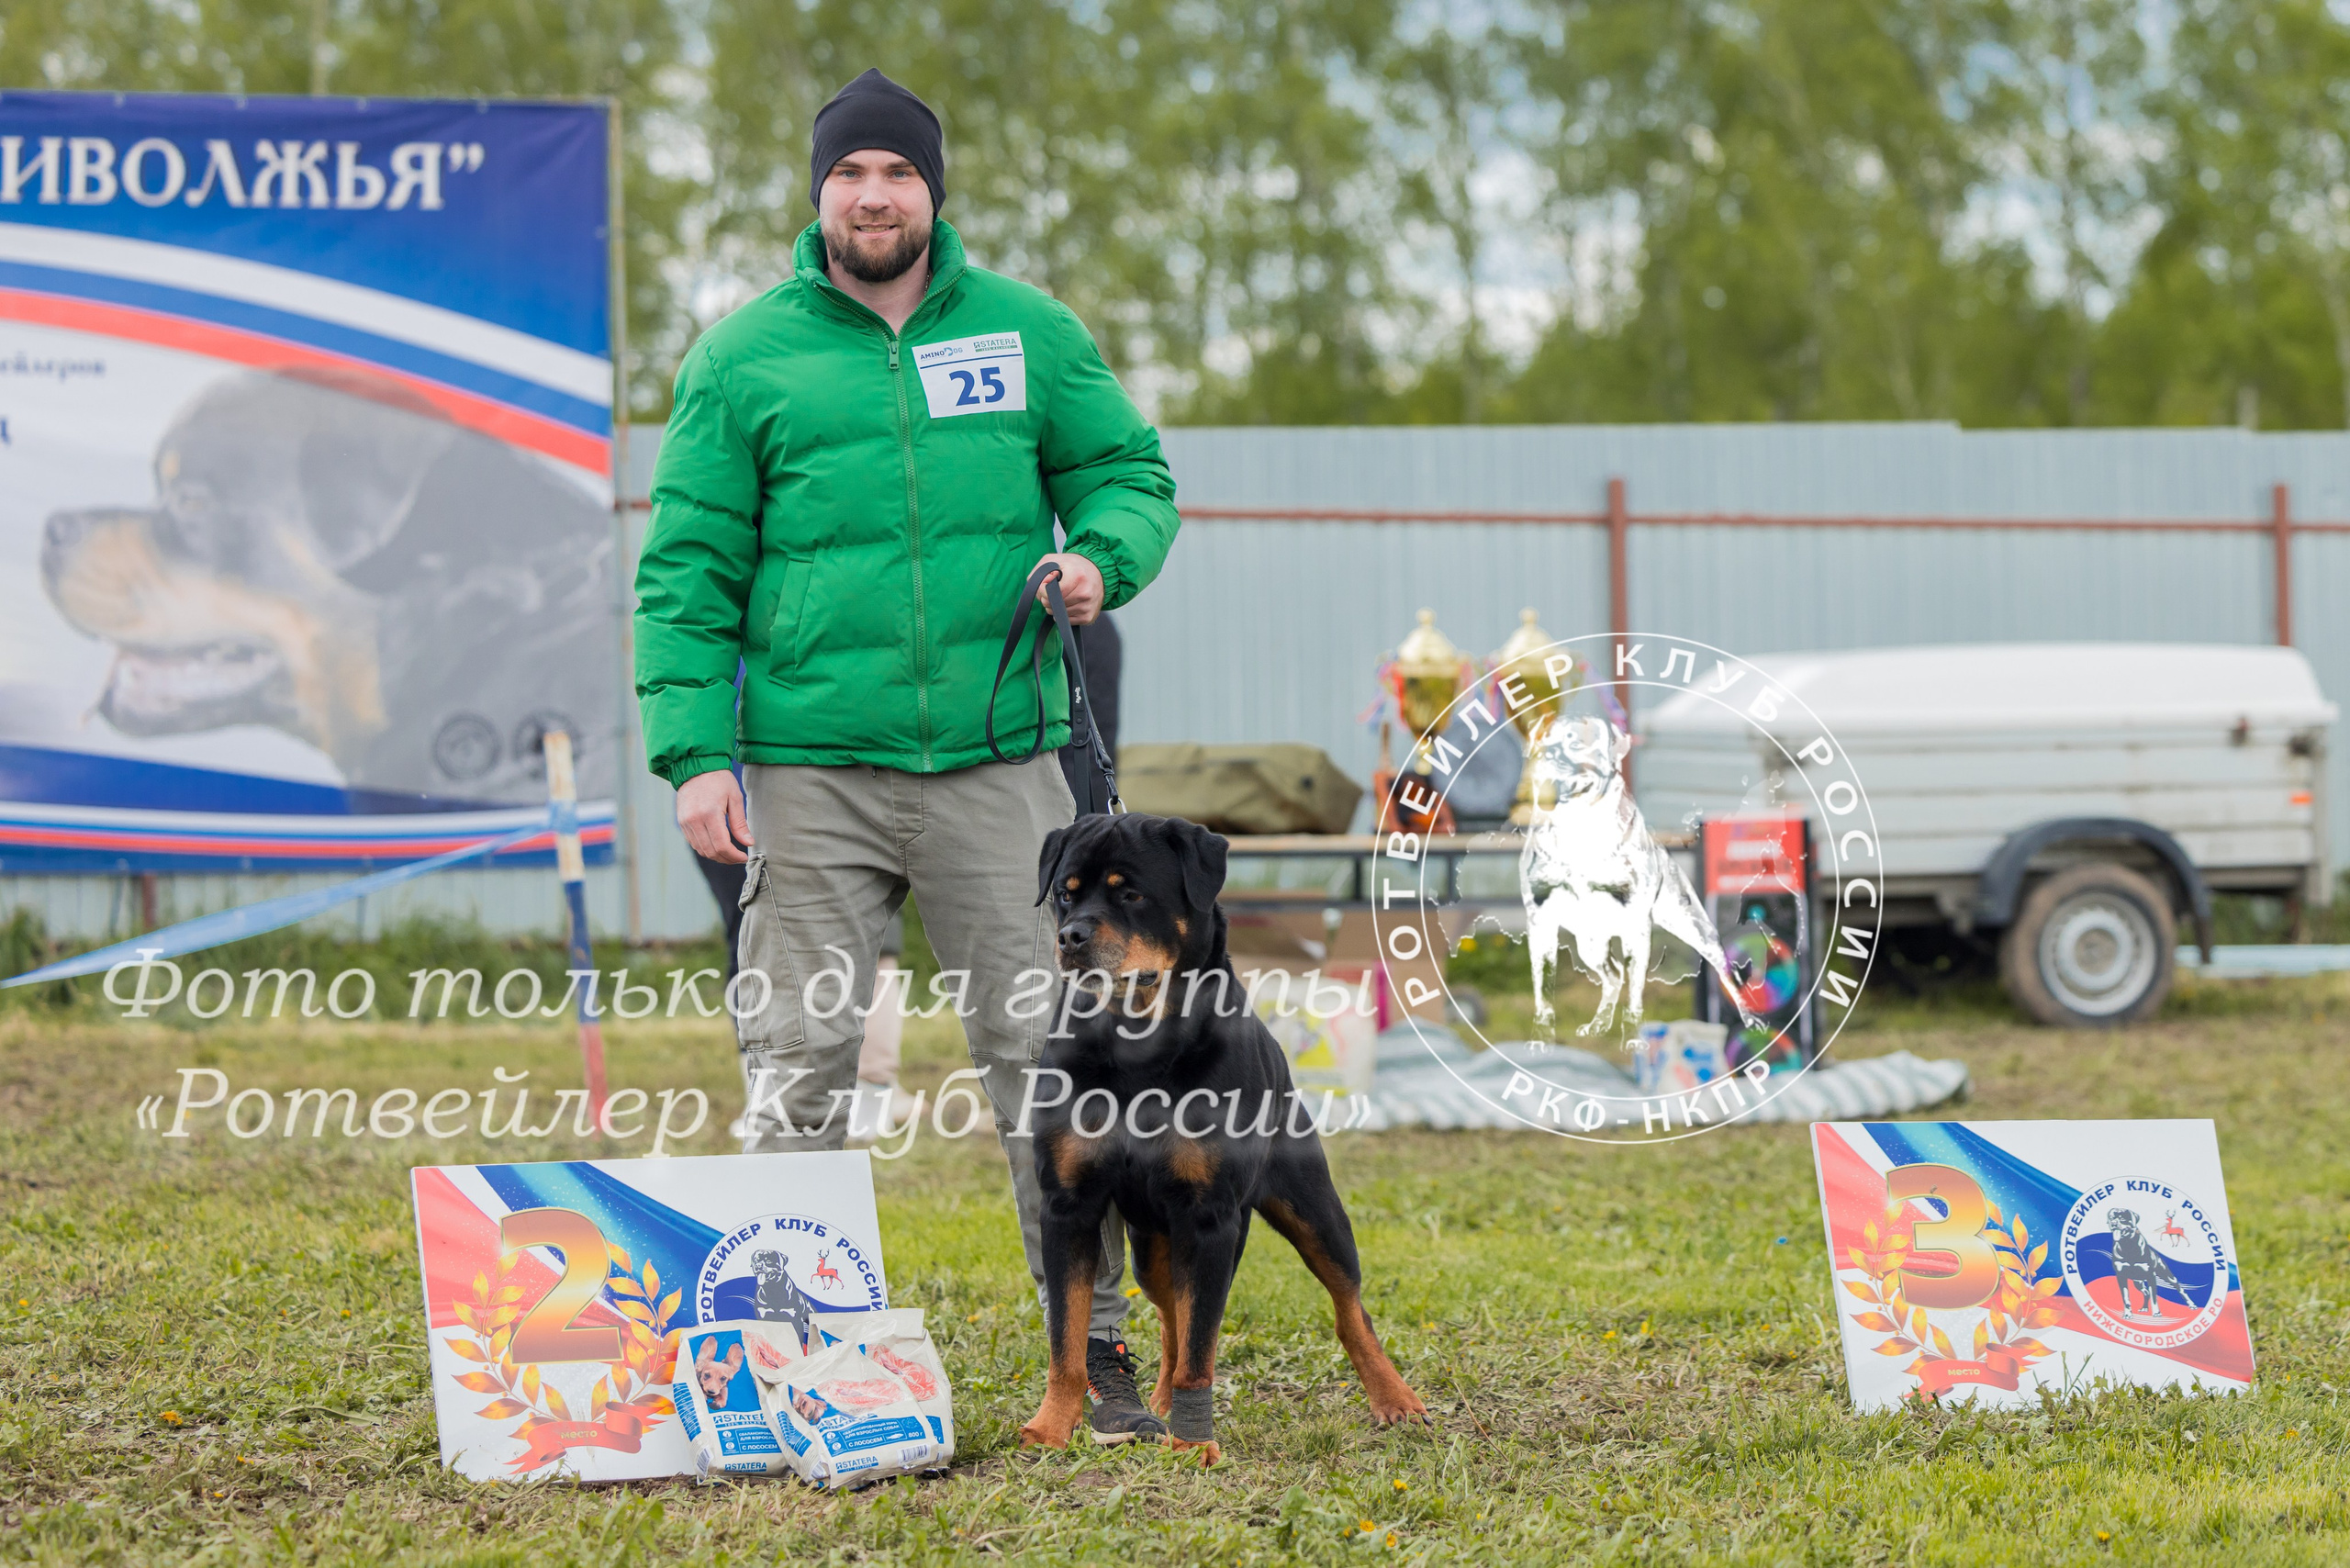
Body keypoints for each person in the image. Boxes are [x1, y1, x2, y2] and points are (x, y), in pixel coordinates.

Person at [632, 67, 1181, 1445]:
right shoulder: (741, 357)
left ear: (933, 192)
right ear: (818, 194)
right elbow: (686, 569)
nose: (873, 195)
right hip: (811, 769)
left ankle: (1094, 1349)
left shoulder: (1025, 331)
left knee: (1048, 1063)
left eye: (898, 173)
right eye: (849, 174)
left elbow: (1130, 473)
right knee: (802, 1056)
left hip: (1003, 768)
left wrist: (1097, 560)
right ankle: (780, 1355)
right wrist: (696, 753)